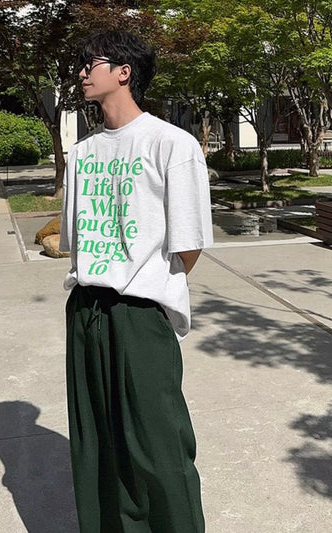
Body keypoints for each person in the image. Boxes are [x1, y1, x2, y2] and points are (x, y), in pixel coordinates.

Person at [59, 30, 213, 532]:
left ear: (124, 72)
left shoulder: (172, 144)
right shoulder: (82, 153)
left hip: (140, 313)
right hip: (86, 309)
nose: (82, 73)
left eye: (91, 63)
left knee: (158, 445)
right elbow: (75, 241)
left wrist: (148, 285)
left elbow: (188, 245)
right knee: (96, 444)